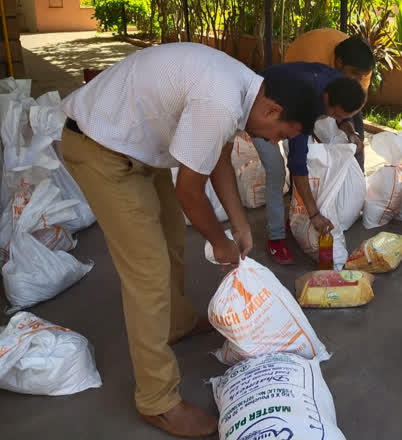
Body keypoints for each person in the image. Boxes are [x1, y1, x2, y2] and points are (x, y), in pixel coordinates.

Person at [60, 42, 317, 438]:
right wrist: (220, 241)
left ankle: (175, 323)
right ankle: (156, 400)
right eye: (280, 134)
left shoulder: (245, 90)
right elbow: (189, 192)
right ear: (272, 111)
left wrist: (240, 224)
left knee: (171, 240)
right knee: (147, 272)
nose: (273, 141)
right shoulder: (221, 101)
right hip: (102, 148)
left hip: (141, 149)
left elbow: (217, 160)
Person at [251, 62, 366, 265]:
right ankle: (276, 236)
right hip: (258, 109)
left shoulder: (339, 86)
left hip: (286, 103)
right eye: (336, 115)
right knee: (276, 169)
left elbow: (343, 118)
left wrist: (350, 132)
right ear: (327, 100)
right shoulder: (307, 103)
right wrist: (314, 214)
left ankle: (294, 217)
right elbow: (298, 164)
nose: (337, 119)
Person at [284, 30, 375, 170]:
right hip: (299, 83)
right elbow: (314, 112)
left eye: (361, 76)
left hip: (333, 82)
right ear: (339, 63)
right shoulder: (311, 65)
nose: (358, 79)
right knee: (303, 142)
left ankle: (356, 174)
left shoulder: (362, 67)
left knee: (355, 133)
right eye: (354, 74)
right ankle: (297, 185)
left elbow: (353, 106)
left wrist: (352, 133)